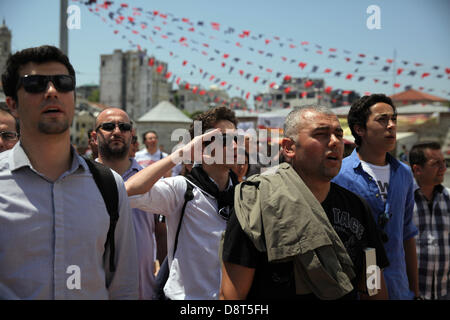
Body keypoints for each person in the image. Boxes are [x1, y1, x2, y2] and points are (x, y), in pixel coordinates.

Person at [0, 45, 138, 299]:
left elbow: (124, 285)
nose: (52, 92)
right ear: (13, 105)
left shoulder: (109, 185)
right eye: (35, 84)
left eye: (63, 83)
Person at [220, 105, 389, 300]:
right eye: (321, 134)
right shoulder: (256, 202)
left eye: (338, 134)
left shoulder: (357, 207)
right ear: (289, 147)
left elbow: (373, 285)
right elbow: (232, 297)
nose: (335, 142)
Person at [125, 106, 239, 300]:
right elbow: (128, 191)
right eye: (226, 140)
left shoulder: (244, 193)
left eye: (236, 139)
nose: (236, 146)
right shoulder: (181, 189)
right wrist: (180, 154)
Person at [332, 94, 420, 300]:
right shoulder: (339, 175)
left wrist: (414, 292)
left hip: (400, 289)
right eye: (382, 120)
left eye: (394, 119)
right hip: (359, 287)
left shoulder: (404, 174)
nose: (391, 126)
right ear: (359, 129)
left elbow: (407, 234)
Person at [409, 141, 450, 300]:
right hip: (411, 292)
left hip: (444, 292)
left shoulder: (448, 198)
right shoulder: (404, 200)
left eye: (444, 162)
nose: (444, 168)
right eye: (436, 164)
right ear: (417, 169)